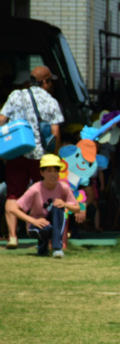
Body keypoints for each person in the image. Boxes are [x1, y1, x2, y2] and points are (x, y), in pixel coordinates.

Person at [0, 65, 64, 249]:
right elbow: (55, 132)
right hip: (40, 156)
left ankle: (12, 237)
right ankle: (46, 236)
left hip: (16, 152)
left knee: (13, 194)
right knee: (44, 194)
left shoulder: (15, 95)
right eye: (50, 81)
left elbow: (2, 120)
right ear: (45, 82)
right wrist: (55, 155)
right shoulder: (51, 101)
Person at [6, 154, 79, 257]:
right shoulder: (35, 189)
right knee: (46, 228)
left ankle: (57, 248)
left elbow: (77, 208)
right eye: (49, 171)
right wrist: (34, 221)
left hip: (52, 224)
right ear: (42, 172)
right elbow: (13, 209)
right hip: (35, 225)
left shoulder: (64, 187)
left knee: (58, 208)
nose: (53, 174)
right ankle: (43, 246)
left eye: (55, 171)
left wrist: (65, 204)